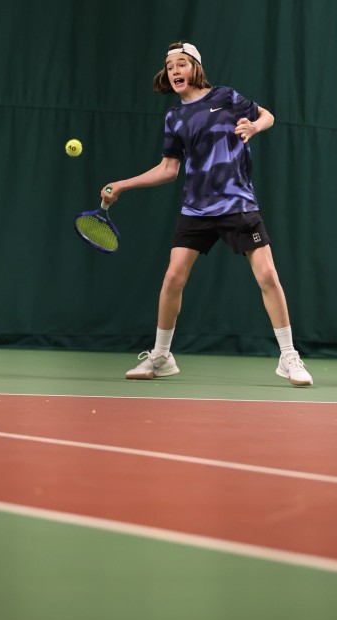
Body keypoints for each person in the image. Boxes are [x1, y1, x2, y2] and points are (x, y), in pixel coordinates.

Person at [101, 41, 313, 387]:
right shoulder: (174, 118)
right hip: (196, 209)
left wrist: (254, 127)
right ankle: (161, 356)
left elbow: (267, 115)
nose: (174, 71)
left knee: (267, 275)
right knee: (173, 278)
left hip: (238, 204)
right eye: (170, 67)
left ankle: (289, 356)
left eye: (181, 64)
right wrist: (122, 185)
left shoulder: (226, 97)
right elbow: (169, 169)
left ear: (195, 68)